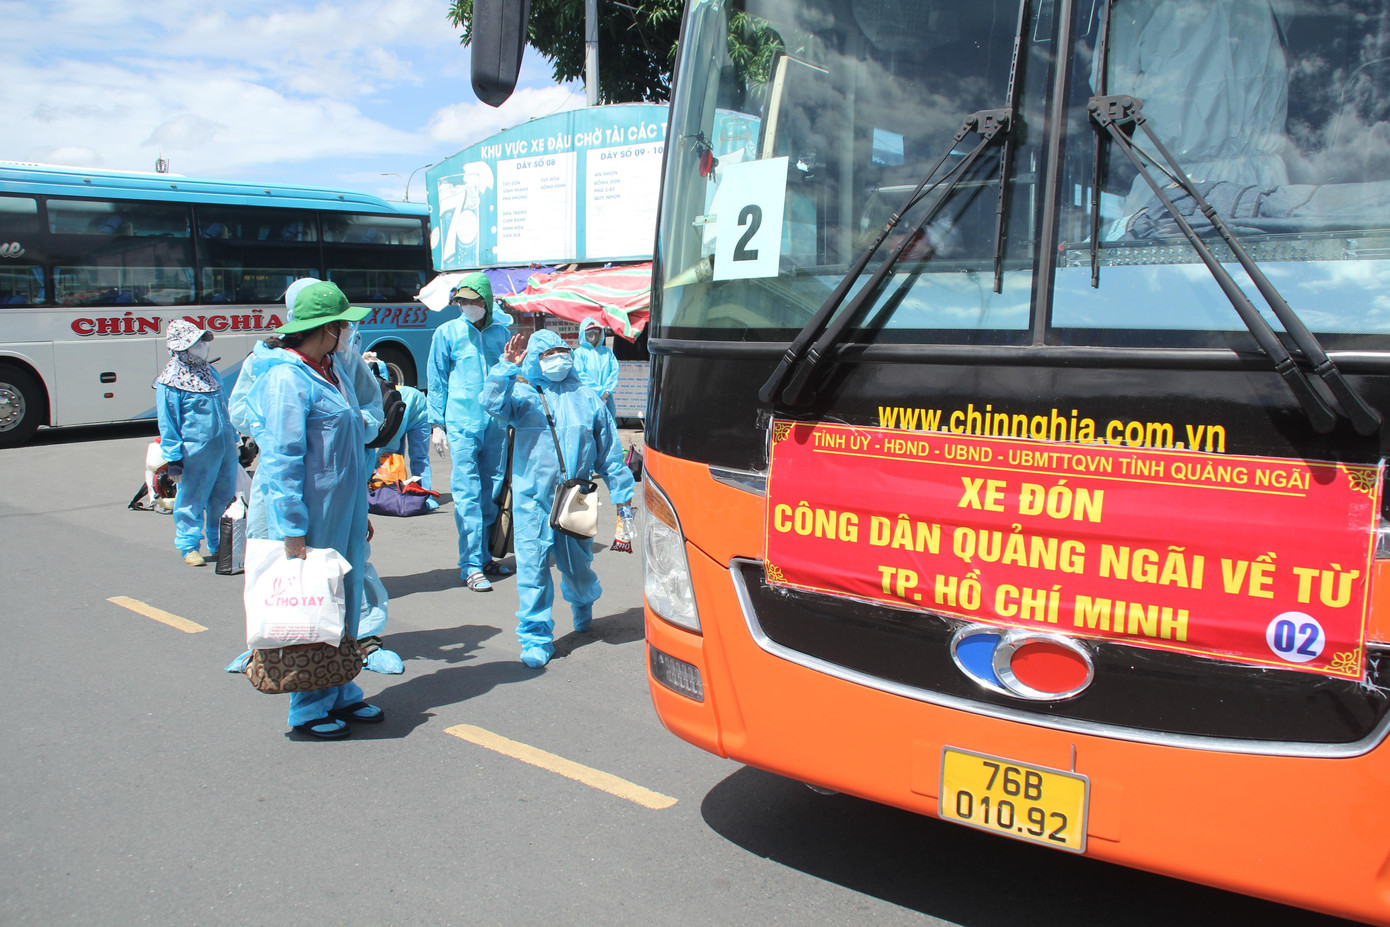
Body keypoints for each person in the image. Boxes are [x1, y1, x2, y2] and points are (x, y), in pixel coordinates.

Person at [246, 281, 384, 738]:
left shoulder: (330, 370)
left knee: (342, 603)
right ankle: (307, 705)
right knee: (313, 606)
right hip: (311, 514)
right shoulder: (286, 378)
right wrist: (291, 527)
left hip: (342, 510)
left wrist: (357, 511)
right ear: (327, 329)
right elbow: (282, 458)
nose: (349, 333)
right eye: (344, 325)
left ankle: (340, 687)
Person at [480, 329, 636, 668]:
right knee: (533, 568)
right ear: (536, 358)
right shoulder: (523, 396)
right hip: (531, 500)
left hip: (577, 496)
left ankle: (583, 601)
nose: (557, 357)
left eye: (562, 349)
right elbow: (491, 403)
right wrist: (505, 367)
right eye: (548, 352)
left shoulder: (588, 398)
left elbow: (610, 453)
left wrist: (624, 498)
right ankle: (535, 635)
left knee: (578, 564)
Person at [427, 272, 513, 592]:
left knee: (491, 492)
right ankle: (471, 564)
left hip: (496, 424)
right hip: (462, 424)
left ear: (486, 302)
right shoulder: (447, 333)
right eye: (461, 301)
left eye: (473, 301)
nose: (467, 306)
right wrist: (437, 423)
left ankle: (486, 555)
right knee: (467, 495)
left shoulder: (501, 333)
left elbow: (510, 376)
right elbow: (436, 380)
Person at [154, 320, 239, 566]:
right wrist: (173, 457)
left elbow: (223, 407)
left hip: (223, 448)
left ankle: (220, 543)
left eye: (202, 341)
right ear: (182, 348)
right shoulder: (170, 381)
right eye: (195, 343)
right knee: (191, 498)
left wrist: (233, 438)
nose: (202, 347)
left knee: (222, 498)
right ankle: (189, 545)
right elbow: (168, 421)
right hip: (195, 452)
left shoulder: (209, 372)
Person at [573, 317, 620, 424]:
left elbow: (614, 371)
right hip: (587, 397)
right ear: (583, 334)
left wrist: (607, 390)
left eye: (596, 333)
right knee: (589, 426)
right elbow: (580, 375)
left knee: (608, 425)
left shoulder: (607, 352)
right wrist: (599, 391)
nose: (593, 336)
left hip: (607, 398)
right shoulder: (579, 353)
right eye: (589, 333)